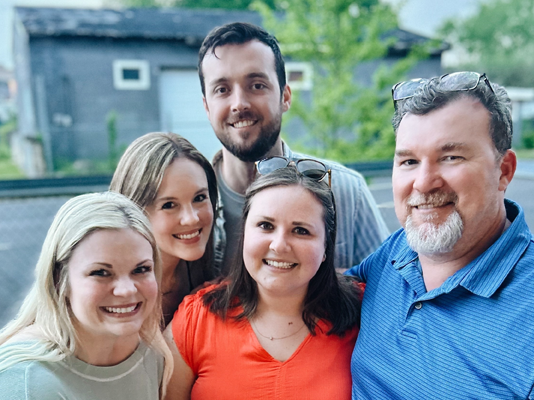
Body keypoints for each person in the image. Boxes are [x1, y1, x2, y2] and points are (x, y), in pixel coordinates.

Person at [347, 72, 534, 398]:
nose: (424, 183)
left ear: (503, 171)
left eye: (451, 157)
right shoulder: (393, 255)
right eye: (409, 161)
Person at [197, 22, 389, 272]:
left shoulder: (345, 192)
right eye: (222, 90)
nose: (239, 104)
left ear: (285, 97)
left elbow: (391, 290)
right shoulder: (189, 211)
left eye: (256, 85)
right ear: (207, 107)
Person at [164, 164, 362, 399]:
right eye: (266, 226)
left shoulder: (368, 311)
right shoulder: (196, 320)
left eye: (301, 231)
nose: (279, 245)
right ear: (245, 233)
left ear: (325, 248)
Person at [0, 192, 173, 399]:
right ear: (59, 280)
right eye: (100, 273)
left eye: (141, 269)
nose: (127, 290)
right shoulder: (26, 383)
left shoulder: (150, 352)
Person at [110, 132, 218, 325]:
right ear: (135, 211)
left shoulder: (211, 276)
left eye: (199, 198)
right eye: (169, 205)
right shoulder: (110, 291)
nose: (191, 218)